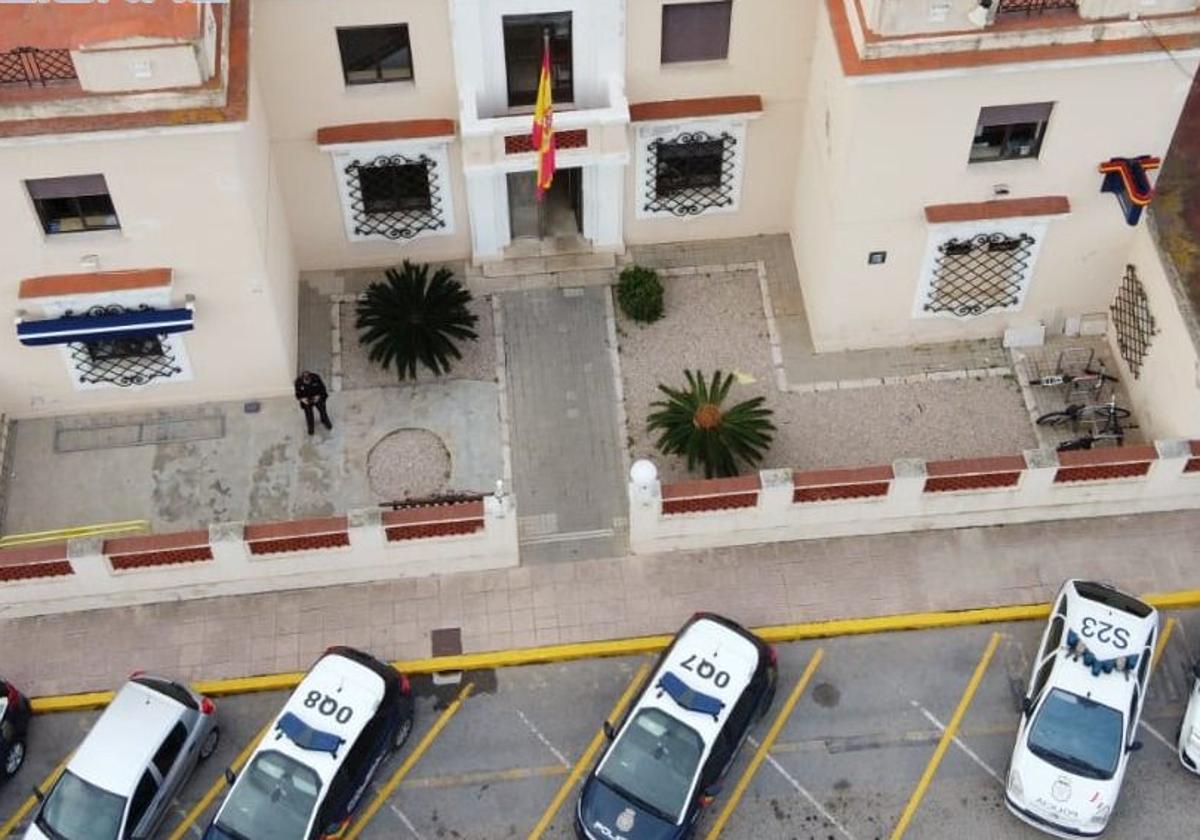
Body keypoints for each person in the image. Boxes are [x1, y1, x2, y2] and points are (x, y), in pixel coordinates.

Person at [294, 370, 332, 434]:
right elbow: (298, 394)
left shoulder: (316, 378)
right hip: (306, 399)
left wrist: (318, 396)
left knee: (322, 410)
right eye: (306, 381)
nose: (307, 382)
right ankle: (310, 427)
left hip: (316, 396)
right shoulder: (298, 382)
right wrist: (303, 399)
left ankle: (325, 421)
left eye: (308, 380)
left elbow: (323, 389)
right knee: (309, 413)